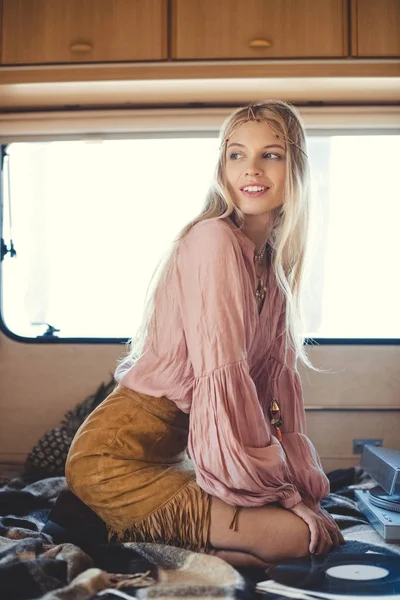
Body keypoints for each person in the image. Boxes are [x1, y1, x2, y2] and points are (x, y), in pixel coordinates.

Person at [65, 100, 344, 568]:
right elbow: (224, 386)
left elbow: (268, 400)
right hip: (115, 460)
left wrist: (294, 488)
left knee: (316, 529)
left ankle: (169, 545)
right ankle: (132, 537)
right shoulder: (211, 240)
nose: (251, 169)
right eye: (236, 154)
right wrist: (278, 497)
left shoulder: (272, 269)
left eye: (270, 155)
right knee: (297, 539)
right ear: (221, 165)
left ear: (294, 166)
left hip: (183, 458)